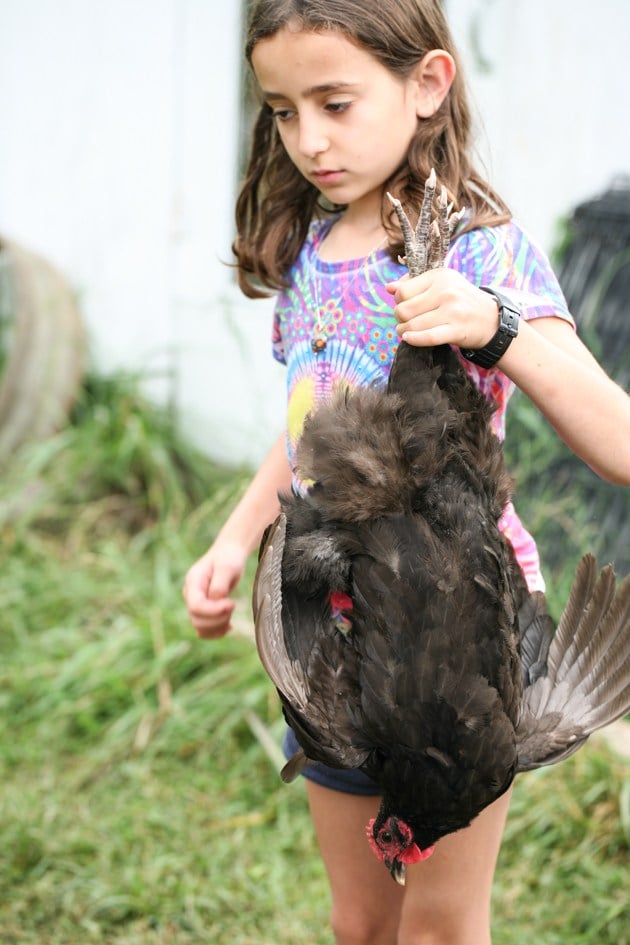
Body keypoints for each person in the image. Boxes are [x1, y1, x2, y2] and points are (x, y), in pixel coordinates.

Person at [183, 2, 630, 943]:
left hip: (464, 645)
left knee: (437, 926)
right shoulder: (313, 253)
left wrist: (494, 324)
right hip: (329, 644)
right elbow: (310, 429)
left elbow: (619, 445)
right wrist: (234, 539)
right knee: (360, 923)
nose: (309, 139)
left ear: (426, 84)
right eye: (282, 110)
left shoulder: (482, 252)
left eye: (335, 102)